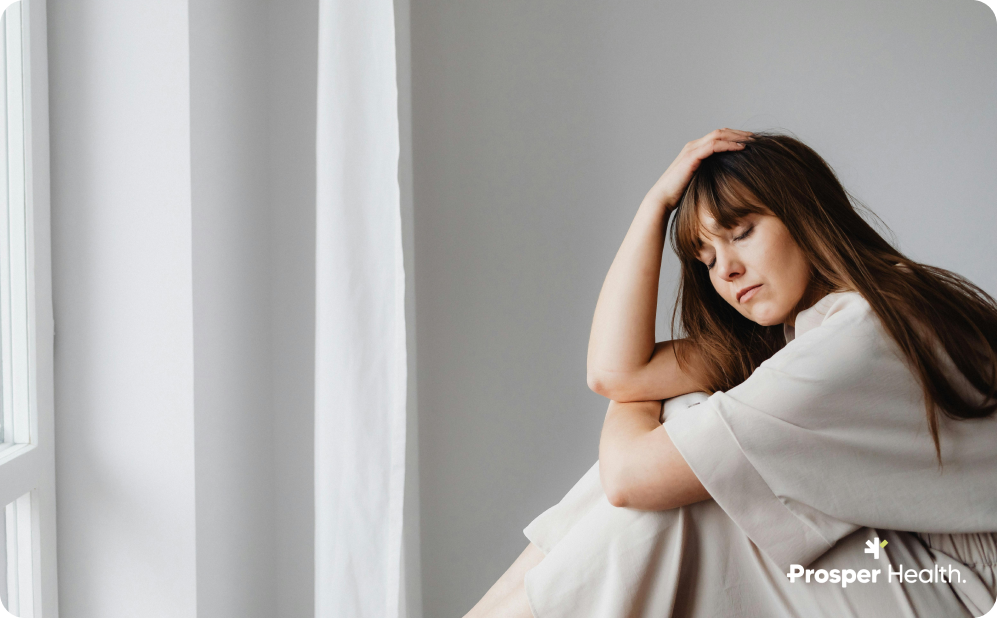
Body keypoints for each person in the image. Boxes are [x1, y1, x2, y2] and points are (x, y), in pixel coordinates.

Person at [464, 130, 997, 618]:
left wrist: (642, 395)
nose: (726, 270)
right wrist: (654, 207)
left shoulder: (861, 335)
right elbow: (614, 372)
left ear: (805, 214)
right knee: (689, 441)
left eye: (741, 232)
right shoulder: (814, 327)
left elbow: (627, 476)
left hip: (960, 587)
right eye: (704, 256)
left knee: (684, 486)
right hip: (912, 563)